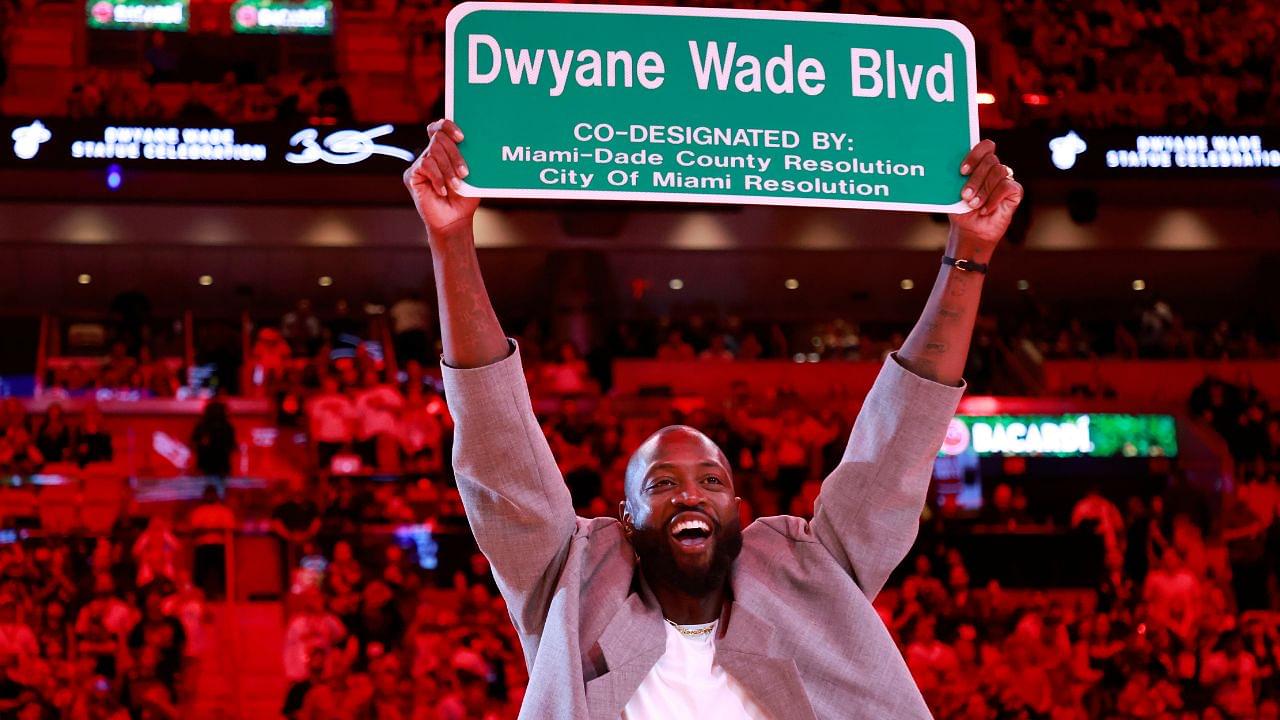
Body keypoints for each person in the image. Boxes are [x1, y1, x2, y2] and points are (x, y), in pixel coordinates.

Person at [404, 119, 1024, 718]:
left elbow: (897, 446)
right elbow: (496, 445)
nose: (690, 494)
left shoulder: (811, 580)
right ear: (625, 520)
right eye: (662, 484)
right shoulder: (569, 588)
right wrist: (451, 239)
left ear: (738, 509)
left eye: (711, 481)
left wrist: (969, 251)